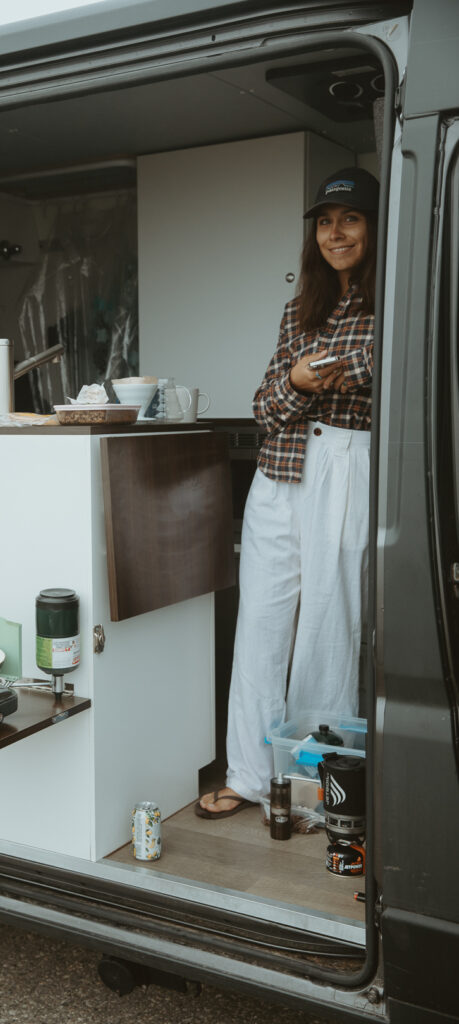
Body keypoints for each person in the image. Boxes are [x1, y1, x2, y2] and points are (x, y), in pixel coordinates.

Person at [197, 166, 379, 819]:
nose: (335, 232)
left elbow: (374, 368)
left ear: (373, 226)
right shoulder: (298, 309)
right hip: (277, 471)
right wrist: (302, 383)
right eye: (326, 222)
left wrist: (308, 381)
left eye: (350, 218)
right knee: (261, 627)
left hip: (345, 464)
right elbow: (264, 407)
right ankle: (247, 774)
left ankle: (316, 787)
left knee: (330, 628)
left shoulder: (389, 301)